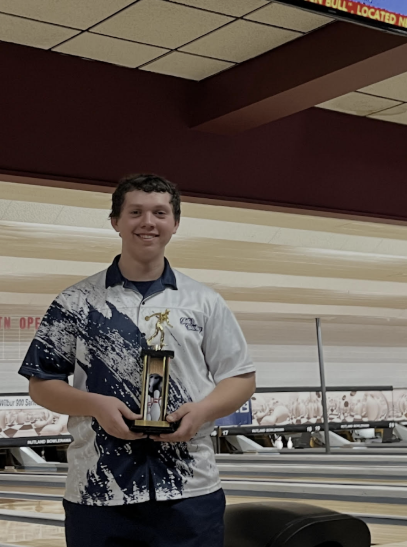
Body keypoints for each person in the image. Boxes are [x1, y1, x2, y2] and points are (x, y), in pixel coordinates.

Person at [19, 173, 256, 547]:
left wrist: (203, 410)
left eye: (160, 213)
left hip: (190, 489)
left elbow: (240, 378)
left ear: (175, 223)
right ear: (115, 221)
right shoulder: (75, 301)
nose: (148, 222)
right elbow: (42, 383)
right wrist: (96, 404)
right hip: (97, 491)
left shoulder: (205, 302)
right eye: (136, 212)